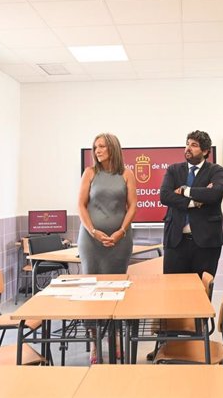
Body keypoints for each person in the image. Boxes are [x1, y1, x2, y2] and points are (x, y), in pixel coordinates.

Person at [77, 133, 137, 363]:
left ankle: (115, 340)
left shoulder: (126, 174)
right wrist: (93, 231)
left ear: (112, 148)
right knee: (91, 292)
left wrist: (121, 231)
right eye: (95, 147)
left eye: (102, 146)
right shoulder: (90, 173)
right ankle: (94, 345)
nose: (97, 150)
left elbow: (133, 206)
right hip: (91, 242)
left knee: (116, 290)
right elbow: (81, 205)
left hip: (120, 241)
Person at [159, 130, 223, 277]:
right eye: (187, 144)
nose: (188, 148)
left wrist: (185, 190)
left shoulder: (216, 170)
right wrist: (193, 202)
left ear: (206, 151)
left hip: (206, 242)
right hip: (176, 241)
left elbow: (215, 194)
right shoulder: (174, 170)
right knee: (173, 291)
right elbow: (164, 196)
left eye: (194, 145)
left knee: (203, 291)